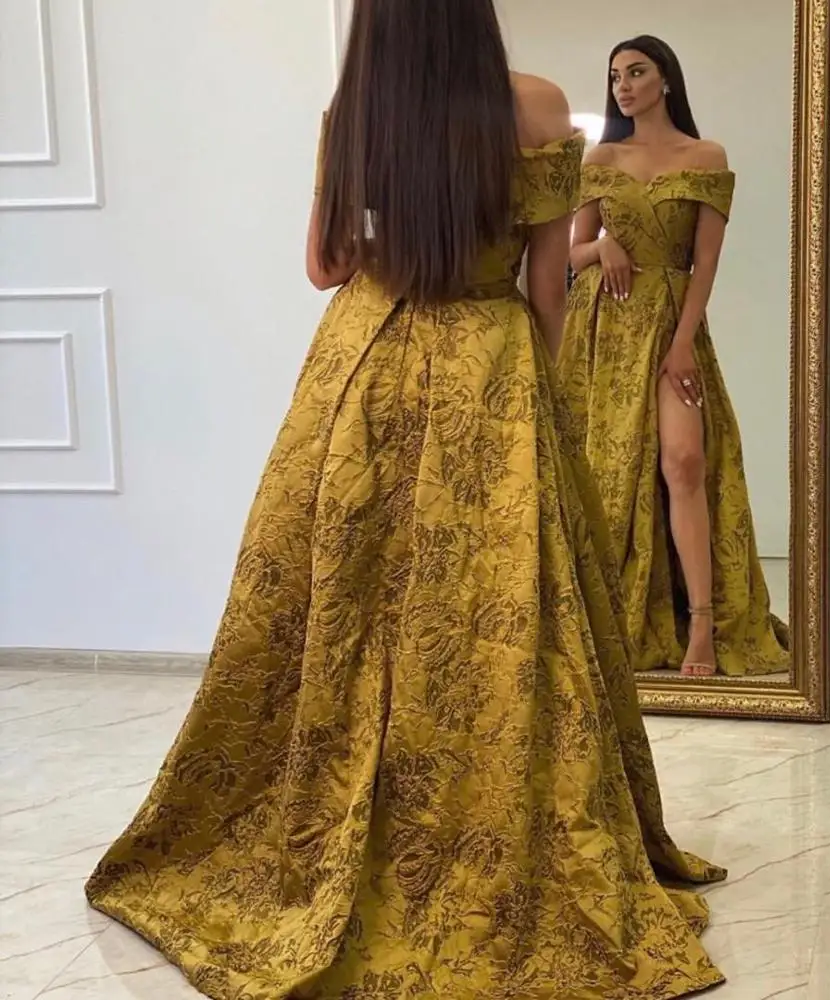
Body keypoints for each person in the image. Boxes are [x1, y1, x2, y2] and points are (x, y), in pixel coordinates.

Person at [85, 4, 726, 998]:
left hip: (366, 362)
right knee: (493, 610)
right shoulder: (539, 105)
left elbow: (324, 268)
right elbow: (546, 284)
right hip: (490, 361)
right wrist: (540, 397)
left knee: (351, 597)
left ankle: (344, 806)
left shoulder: (354, 112)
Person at [558, 35, 791, 678]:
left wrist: (683, 341)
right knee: (609, 472)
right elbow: (567, 255)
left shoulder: (705, 156)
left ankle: (704, 624)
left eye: (636, 72)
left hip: (671, 323)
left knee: (684, 461)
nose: (623, 86)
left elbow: (705, 263)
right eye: (615, 77)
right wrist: (600, 248)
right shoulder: (600, 157)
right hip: (603, 330)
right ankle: (614, 613)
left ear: (666, 80)